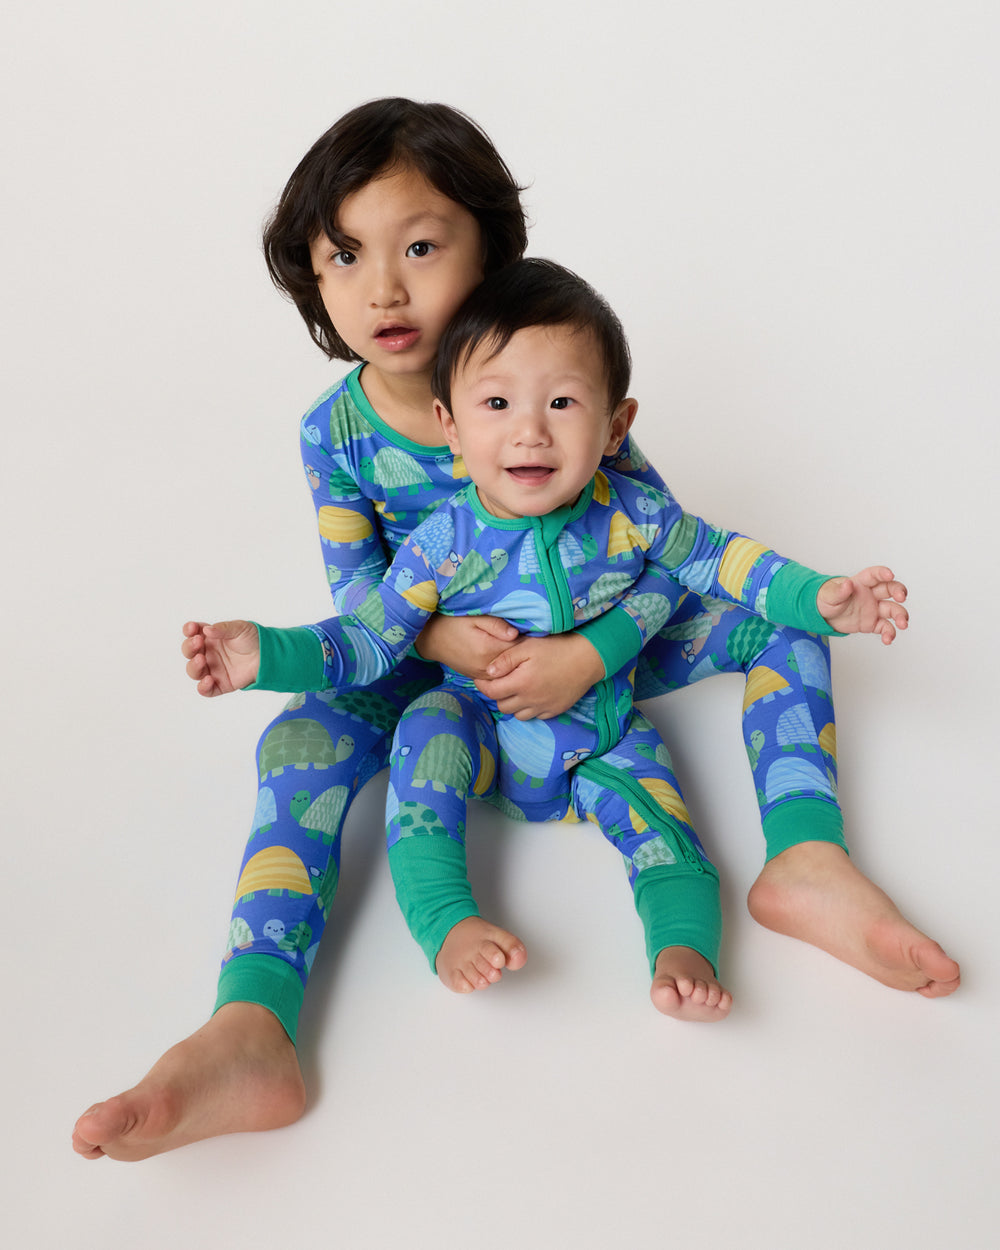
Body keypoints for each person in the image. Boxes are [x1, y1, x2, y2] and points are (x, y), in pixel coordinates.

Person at [73, 99, 960, 1164]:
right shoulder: (336, 433)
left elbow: (668, 553)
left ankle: (806, 856)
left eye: (418, 246)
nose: (384, 288)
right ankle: (252, 1022)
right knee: (299, 745)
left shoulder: (550, 375)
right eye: (345, 255)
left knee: (780, 629)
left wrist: (590, 654)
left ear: (488, 250)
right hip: (417, 658)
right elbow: (362, 599)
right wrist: (436, 646)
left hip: (594, 648)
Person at [179, 255, 920, 1028]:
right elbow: (365, 638)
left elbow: (722, 558)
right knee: (423, 741)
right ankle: (446, 922)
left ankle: (709, 934)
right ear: (452, 430)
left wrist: (821, 598)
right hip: (478, 724)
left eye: (562, 404)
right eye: (497, 403)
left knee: (670, 834)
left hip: (605, 722)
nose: (530, 430)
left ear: (614, 427)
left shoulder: (631, 507)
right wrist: (264, 652)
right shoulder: (440, 541)